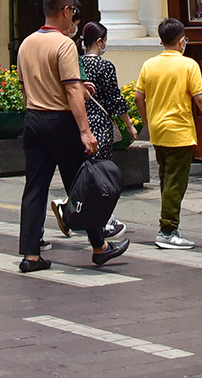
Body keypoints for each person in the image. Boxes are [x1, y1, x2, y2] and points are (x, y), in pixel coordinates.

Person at [15, 0, 129, 273]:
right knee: (82, 185)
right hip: (60, 123)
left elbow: (25, 87)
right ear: (66, 11)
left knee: (34, 188)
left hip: (34, 120)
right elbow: (71, 91)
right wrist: (85, 131)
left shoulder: (26, 43)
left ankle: (30, 255)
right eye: (73, 13)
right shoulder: (64, 44)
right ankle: (99, 246)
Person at [134, 17, 202, 249]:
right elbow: (201, 99)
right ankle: (167, 229)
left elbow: (138, 97)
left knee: (166, 178)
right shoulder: (188, 65)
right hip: (179, 131)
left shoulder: (149, 65)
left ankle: (168, 225)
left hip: (158, 131)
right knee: (176, 182)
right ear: (182, 41)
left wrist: (148, 121)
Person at [72, 20, 133, 240]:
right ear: (99, 42)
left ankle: (79, 213)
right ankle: (104, 220)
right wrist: (129, 124)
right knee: (102, 177)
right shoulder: (105, 66)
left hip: (79, 125)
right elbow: (115, 99)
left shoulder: (77, 63)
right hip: (100, 126)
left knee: (84, 174)